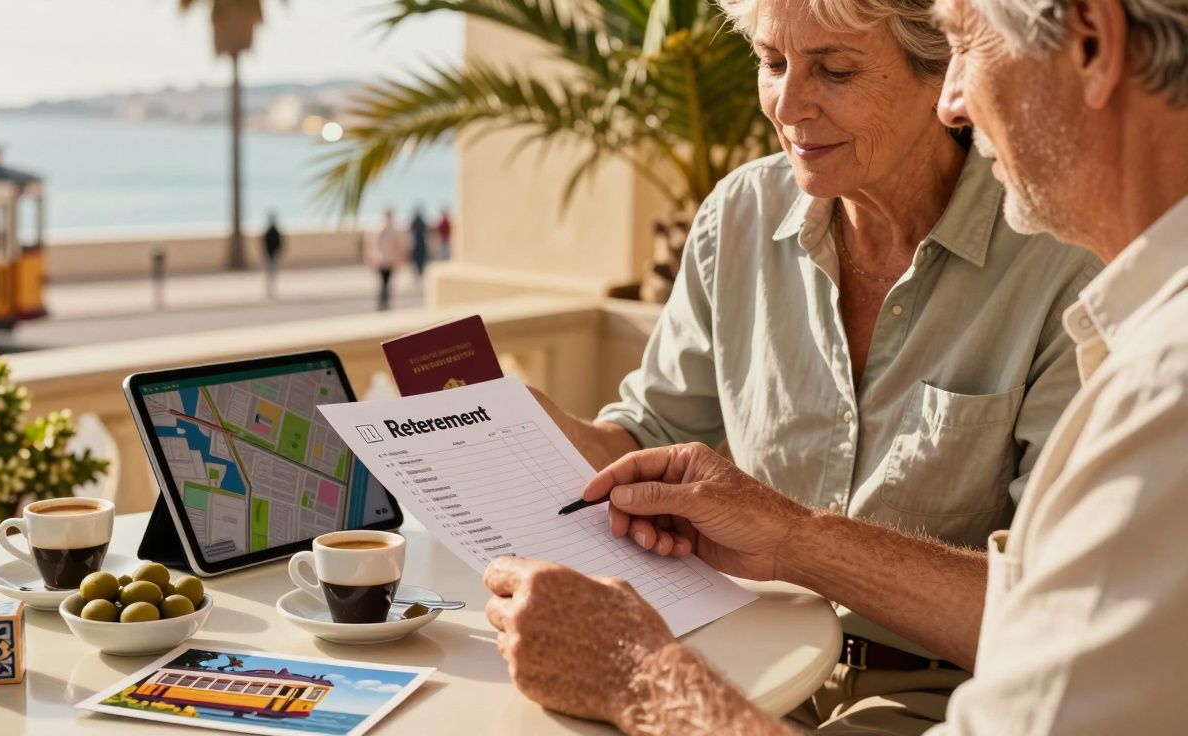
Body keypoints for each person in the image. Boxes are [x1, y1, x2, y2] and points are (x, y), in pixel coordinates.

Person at [484, 0, 1188, 731]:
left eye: (837, 69)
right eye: (771, 62)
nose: (788, 106)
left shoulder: (1120, 325)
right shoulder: (740, 215)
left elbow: (1045, 634)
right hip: (749, 657)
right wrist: (511, 431)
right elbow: (645, 431)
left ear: (1094, 45)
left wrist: (643, 677)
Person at [365, 207, 407, 310]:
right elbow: (398, 246)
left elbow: (372, 244)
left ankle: (382, 303)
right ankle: (384, 303)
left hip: (382, 260)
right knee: (386, 283)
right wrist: (399, 259)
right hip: (387, 260)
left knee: (383, 283)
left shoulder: (377, 227)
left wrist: (371, 257)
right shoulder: (393, 229)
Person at [262, 213, 284, 300]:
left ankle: (271, 289)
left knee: (271, 273)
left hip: (271, 255)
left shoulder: (271, 231)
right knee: (271, 272)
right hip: (271, 255)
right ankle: (270, 289)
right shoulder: (272, 231)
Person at [409, 207, 430, 278]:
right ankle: (419, 271)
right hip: (420, 242)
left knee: (418, 257)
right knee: (420, 257)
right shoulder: (421, 221)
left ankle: (419, 271)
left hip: (417, 242)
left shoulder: (415, 221)